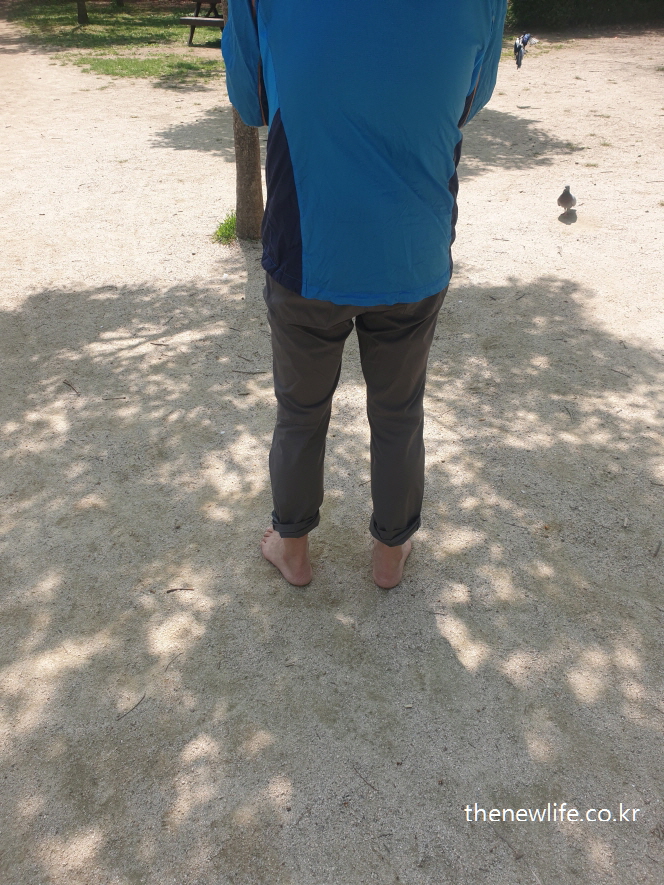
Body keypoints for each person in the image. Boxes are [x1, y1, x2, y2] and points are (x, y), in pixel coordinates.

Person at [222, 1, 507, 589]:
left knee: (300, 410)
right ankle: (390, 554)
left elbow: (250, 103)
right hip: (412, 246)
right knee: (399, 411)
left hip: (310, 246)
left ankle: (293, 547)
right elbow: (470, 100)